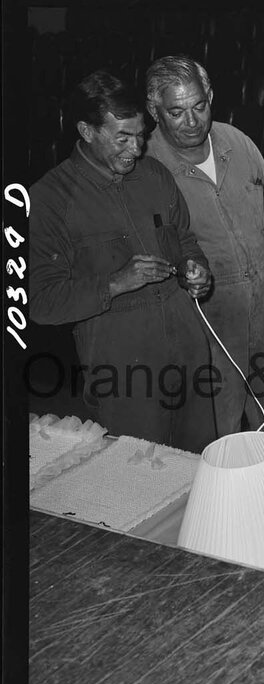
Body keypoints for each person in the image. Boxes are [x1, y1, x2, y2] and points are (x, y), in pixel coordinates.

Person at [29, 70, 215, 453]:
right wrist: (114, 283)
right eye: (123, 138)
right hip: (124, 372)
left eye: (142, 135)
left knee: (201, 471)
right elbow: (41, 302)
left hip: (190, 352)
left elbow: (182, 239)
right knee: (139, 480)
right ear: (86, 131)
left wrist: (196, 268)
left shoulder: (154, 176)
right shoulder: (49, 200)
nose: (137, 148)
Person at [145, 55, 264, 440]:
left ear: (211, 95)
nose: (193, 121)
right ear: (154, 111)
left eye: (200, 106)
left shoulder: (238, 143)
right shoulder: (148, 168)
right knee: (220, 430)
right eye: (177, 112)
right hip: (210, 322)